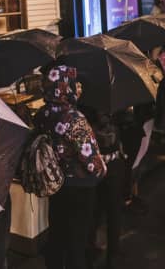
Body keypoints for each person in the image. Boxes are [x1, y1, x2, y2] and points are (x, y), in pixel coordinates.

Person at [34, 66, 106, 269]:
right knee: (77, 241)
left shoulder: (42, 114)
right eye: (76, 84)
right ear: (67, 87)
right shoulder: (75, 119)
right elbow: (91, 161)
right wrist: (102, 171)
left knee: (57, 235)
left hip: (56, 184)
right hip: (80, 187)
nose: (80, 88)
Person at [82, 106, 126, 269]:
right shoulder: (117, 107)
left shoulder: (83, 109)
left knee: (93, 212)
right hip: (113, 166)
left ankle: (89, 253)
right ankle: (113, 258)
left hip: (91, 167)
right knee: (114, 214)